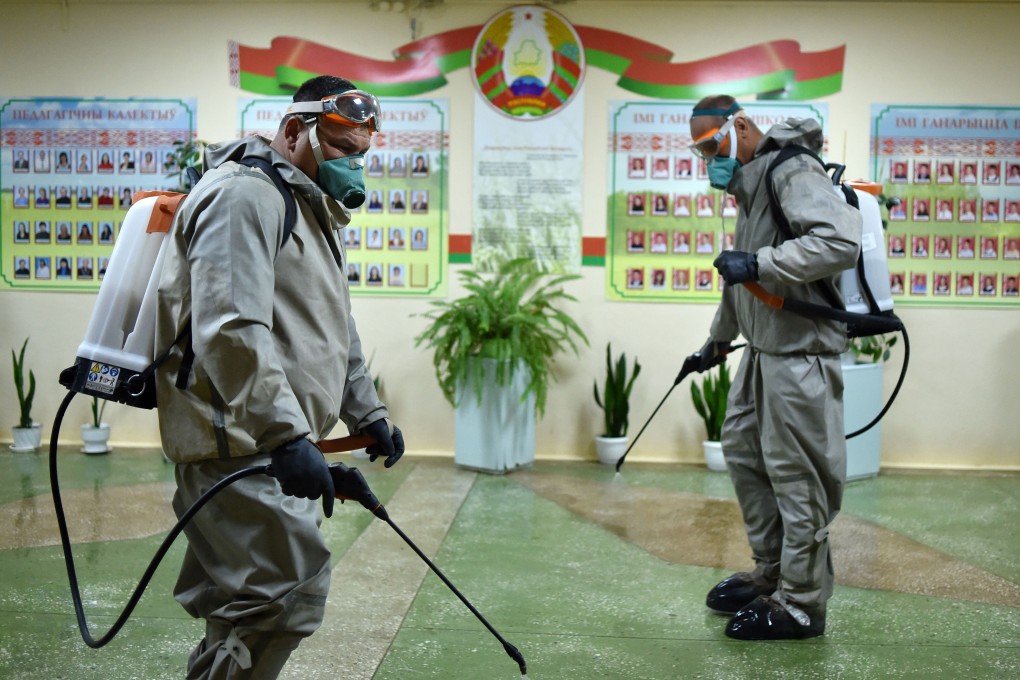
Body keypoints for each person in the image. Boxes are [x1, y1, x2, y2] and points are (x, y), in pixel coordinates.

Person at [152, 75, 405, 680]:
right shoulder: (245, 196)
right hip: (237, 443)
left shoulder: (312, 210)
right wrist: (286, 434)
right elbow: (230, 327)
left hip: (268, 444)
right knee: (286, 597)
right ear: (294, 131)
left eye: (361, 154)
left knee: (245, 608)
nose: (352, 165)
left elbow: (333, 327)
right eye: (340, 148)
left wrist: (366, 412)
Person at [687, 95, 861, 641]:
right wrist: (717, 341)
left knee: (796, 476)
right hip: (762, 355)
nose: (708, 158)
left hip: (800, 356)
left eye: (711, 145)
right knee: (744, 453)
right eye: (699, 151)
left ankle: (803, 604)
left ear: (739, 125)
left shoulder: (793, 169)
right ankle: (772, 572)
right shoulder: (751, 187)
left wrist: (759, 261)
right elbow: (741, 282)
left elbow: (839, 241)